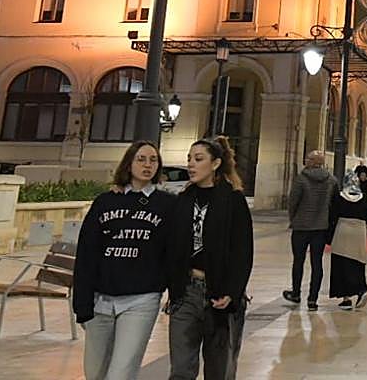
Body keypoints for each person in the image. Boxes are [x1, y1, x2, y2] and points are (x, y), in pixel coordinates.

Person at [74, 140, 177, 380]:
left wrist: (172, 289)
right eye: (141, 159)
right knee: (94, 373)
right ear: (129, 163)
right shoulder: (106, 202)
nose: (147, 165)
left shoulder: (168, 205)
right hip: (100, 300)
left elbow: (173, 252)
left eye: (153, 160)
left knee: (121, 373)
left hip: (141, 300)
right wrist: (82, 305)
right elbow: (87, 254)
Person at [167, 136, 253, 380]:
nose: (191, 165)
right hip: (185, 294)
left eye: (198, 159)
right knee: (181, 369)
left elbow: (242, 251)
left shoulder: (233, 200)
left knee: (219, 370)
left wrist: (232, 291)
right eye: (189, 159)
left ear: (215, 163)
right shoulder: (183, 200)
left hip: (219, 295)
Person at [283, 151, 338, 310]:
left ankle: (296, 293)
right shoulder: (331, 180)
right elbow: (334, 204)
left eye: (308, 158)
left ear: (313, 162)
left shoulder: (301, 179)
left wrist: (293, 218)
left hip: (301, 226)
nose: (305, 160)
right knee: (317, 262)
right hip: (320, 227)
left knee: (298, 261)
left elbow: (293, 201)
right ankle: (313, 299)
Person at [328, 165, 367, 310]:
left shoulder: (340, 197)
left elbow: (333, 215)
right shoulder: (363, 198)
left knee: (341, 262)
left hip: (342, 229)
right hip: (358, 232)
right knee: (357, 262)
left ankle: (346, 298)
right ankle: (361, 288)